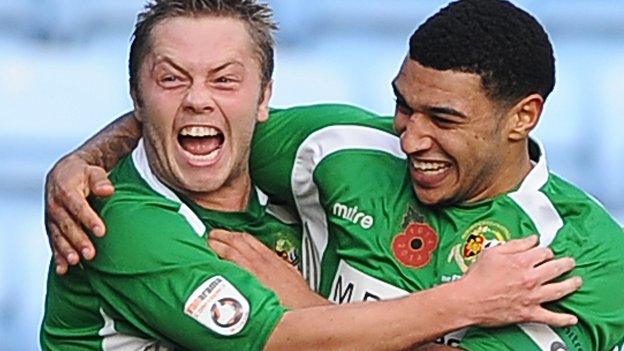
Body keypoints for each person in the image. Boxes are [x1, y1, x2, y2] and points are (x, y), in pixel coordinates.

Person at [40, 1, 584, 350]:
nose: (199, 100)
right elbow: (283, 338)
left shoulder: (318, 155)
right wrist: (467, 301)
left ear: (264, 100)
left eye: (225, 80)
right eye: (171, 80)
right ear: (138, 96)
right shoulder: (114, 219)